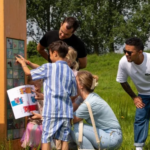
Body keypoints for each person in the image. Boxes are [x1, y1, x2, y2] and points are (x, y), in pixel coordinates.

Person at [16, 40, 77, 150]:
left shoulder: (49, 67)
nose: (49, 56)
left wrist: (23, 63)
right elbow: (72, 93)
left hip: (51, 111)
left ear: (55, 53)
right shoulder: (70, 72)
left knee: (46, 138)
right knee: (64, 140)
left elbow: (28, 73)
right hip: (66, 111)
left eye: (49, 53)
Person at [70, 70, 122, 149]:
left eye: (75, 81)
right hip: (112, 135)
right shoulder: (88, 97)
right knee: (77, 131)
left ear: (81, 85)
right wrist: (73, 97)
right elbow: (72, 107)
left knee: (77, 129)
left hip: (111, 137)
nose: (73, 84)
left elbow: (71, 120)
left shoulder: (89, 103)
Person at [116, 37, 150, 150]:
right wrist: (134, 97)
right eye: (125, 51)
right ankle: (139, 147)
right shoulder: (123, 62)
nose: (126, 54)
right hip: (143, 95)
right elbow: (122, 80)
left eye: (130, 52)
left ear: (140, 52)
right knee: (140, 119)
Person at [21, 75, 43, 150]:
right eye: (33, 85)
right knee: (31, 146)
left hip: (42, 125)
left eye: (37, 84)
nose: (35, 87)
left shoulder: (44, 96)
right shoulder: (27, 96)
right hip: (32, 125)